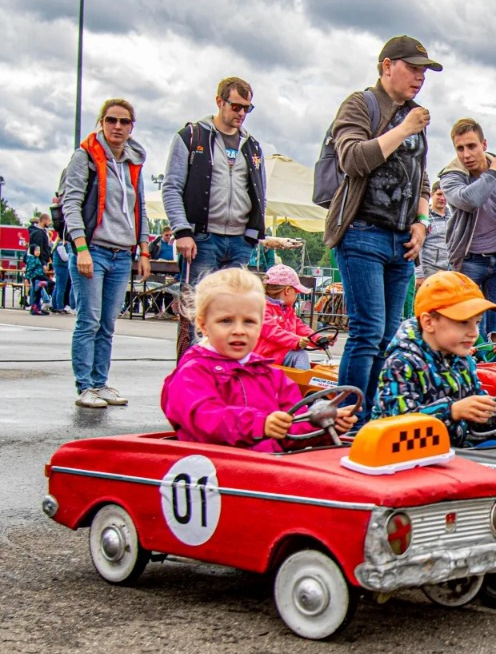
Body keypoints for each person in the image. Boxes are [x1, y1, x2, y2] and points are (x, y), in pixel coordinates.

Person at [323, 35, 440, 424]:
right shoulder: (361, 104)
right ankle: (348, 417)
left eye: (425, 71)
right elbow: (353, 159)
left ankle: (374, 416)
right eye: (412, 68)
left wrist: (422, 223)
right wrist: (404, 128)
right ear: (387, 66)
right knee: (367, 331)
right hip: (361, 231)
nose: (420, 77)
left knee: (389, 336)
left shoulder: (416, 115)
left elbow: (422, 177)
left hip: (401, 240)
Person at [161, 268, 356, 451]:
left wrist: (325, 427)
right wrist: (261, 424)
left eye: (249, 322)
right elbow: (205, 419)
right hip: (215, 470)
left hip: (267, 469)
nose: (239, 330)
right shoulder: (193, 372)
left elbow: (293, 427)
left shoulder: (272, 375)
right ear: (203, 325)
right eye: (226, 321)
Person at [162, 76, 269, 357]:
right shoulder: (192, 136)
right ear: (219, 101)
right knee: (197, 311)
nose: (241, 113)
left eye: (247, 108)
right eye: (235, 106)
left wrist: (253, 234)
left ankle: (226, 377)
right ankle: (189, 376)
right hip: (201, 238)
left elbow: (260, 192)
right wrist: (182, 231)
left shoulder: (252, 146)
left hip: (239, 241)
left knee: (233, 313)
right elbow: (172, 187)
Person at [372, 271, 496, 444]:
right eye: (463, 322)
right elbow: (396, 427)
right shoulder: (402, 363)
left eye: (476, 322)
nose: (474, 333)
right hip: (399, 459)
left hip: (453, 452)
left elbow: (479, 424)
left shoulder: (463, 361)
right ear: (429, 322)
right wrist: (452, 411)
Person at [62, 98, 151, 408]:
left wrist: (144, 250)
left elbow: (139, 206)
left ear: (131, 127)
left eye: (124, 122)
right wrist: (80, 247)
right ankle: (84, 385)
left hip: (121, 253)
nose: (117, 126)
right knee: (89, 320)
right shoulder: (84, 157)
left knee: (108, 323)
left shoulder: (133, 162)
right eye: (111, 120)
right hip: (94, 250)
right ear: (101, 122)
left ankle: (100, 383)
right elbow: (71, 203)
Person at [440, 118, 496, 339]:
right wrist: (492, 172)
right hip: (468, 260)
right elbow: (471, 199)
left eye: (471, 146)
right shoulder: (451, 175)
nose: (466, 154)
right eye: (460, 148)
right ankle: (471, 372)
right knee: (471, 331)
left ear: (484, 144)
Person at [257, 264, 323, 369]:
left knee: (301, 355)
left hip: (281, 354)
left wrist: (317, 339)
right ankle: (301, 385)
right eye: (296, 293)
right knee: (299, 355)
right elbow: (273, 331)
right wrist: (296, 340)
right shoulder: (261, 309)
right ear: (287, 290)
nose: (297, 296)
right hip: (264, 358)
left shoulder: (287, 310)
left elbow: (300, 327)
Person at [417, 181, 450, 288]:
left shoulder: (453, 216)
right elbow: (418, 245)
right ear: (431, 194)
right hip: (430, 269)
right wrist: (419, 273)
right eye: (439, 194)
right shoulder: (424, 217)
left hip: (450, 269)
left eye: (446, 194)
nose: (442, 198)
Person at [50, 232, 76, 314]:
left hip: (58, 267)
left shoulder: (56, 245)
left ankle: (54, 305)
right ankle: (60, 306)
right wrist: (71, 254)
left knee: (57, 287)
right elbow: (64, 258)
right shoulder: (61, 246)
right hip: (62, 267)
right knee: (61, 288)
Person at [23, 245, 52, 315]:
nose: (38, 252)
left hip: (39, 277)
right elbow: (29, 269)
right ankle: (44, 302)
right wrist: (26, 278)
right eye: (36, 250)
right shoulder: (32, 259)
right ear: (32, 251)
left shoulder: (37, 258)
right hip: (36, 277)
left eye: (39, 250)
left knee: (36, 293)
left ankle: (36, 308)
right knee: (40, 289)